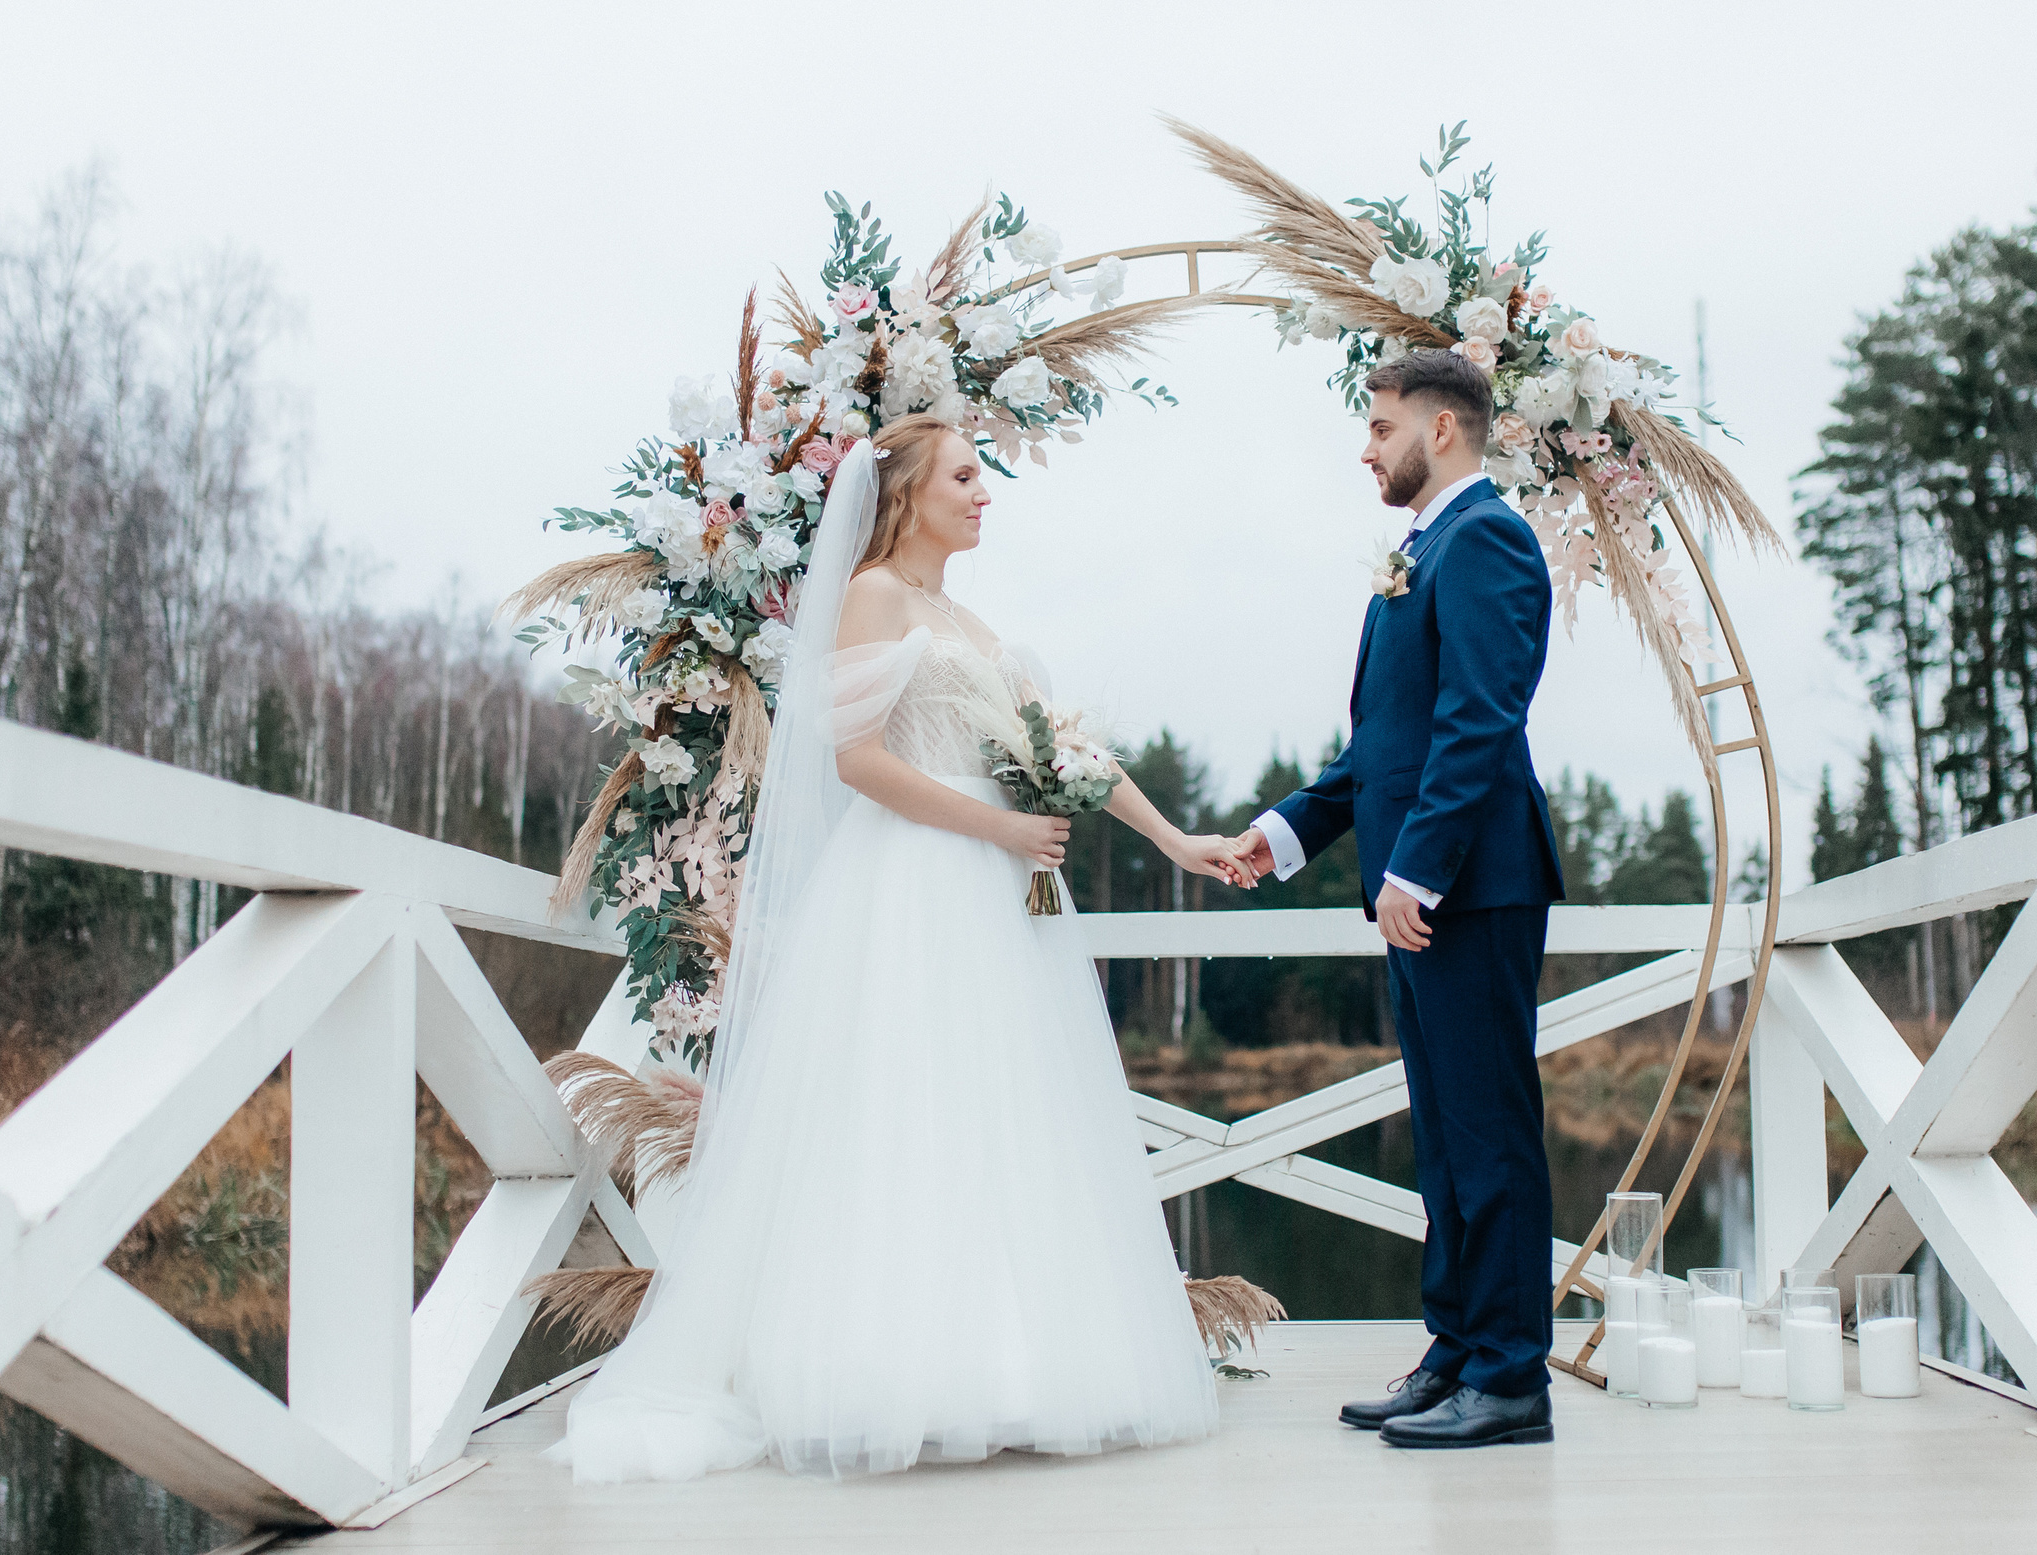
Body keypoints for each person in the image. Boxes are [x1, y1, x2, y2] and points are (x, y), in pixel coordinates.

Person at [549, 414, 1248, 1483]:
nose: (983, 492)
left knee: (1005, 1116)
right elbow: (858, 764)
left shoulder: (966, 619)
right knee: (904, 1112)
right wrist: (1002, 829)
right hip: (917, 881)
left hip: (1003, 898)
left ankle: (1013, 1365)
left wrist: (1174, 839)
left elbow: (1069, 751)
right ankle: (886, 1371)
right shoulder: (873, 594)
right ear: (908, 492)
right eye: (965, 476)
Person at [1237, 348, 1567, 1449]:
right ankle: (1458, 1352)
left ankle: (1513, 1377)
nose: (1365, 446)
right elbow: (1382, 747)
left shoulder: (1490, 541)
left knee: (1490, 1138)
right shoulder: (1422, 552)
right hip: (1425, 892)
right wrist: (1285, 832)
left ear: (1442, 430)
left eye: (1379, 426)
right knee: (1444, 1140)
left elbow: (1480, 721)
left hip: (1466, 888)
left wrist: (1410, 872)